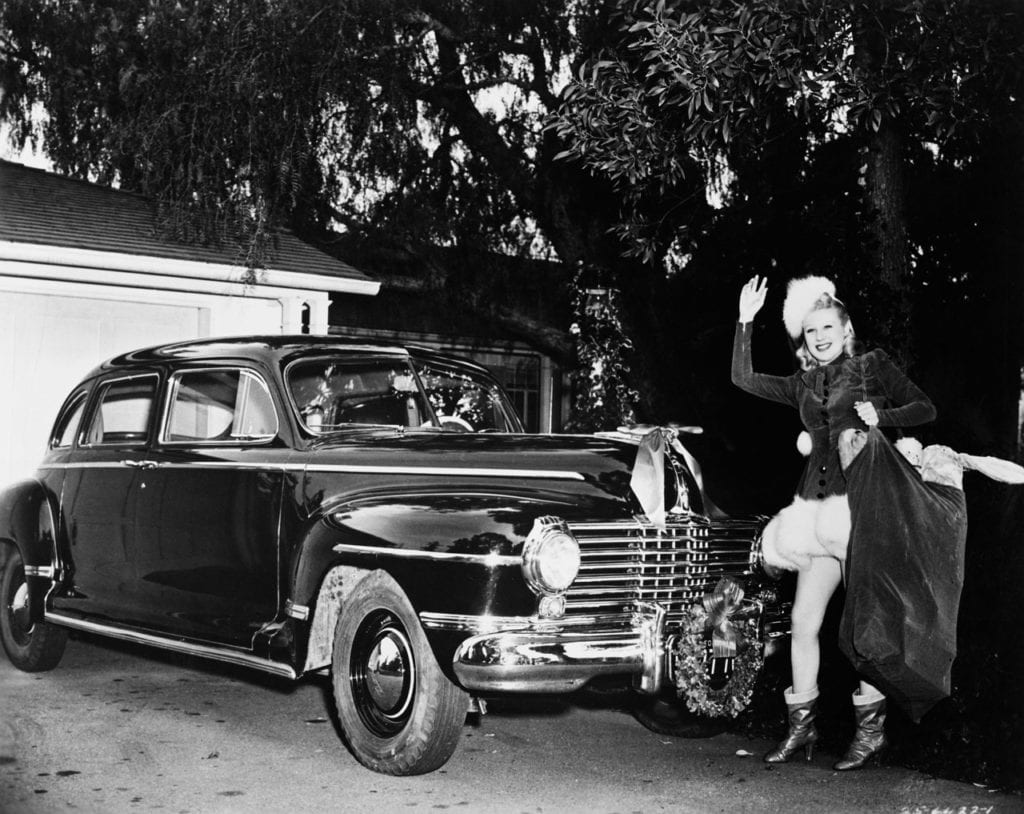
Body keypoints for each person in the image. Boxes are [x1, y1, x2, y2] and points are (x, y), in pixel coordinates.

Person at [732, 274, 937, 770]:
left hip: (859, 509)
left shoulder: (871, 366)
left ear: (845, 330)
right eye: (810, 331)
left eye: (827, 327)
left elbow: (926, 408)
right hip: (813, 514)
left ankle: (870, 733)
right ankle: (801, 729)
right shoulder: (803, 382)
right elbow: (744, 379)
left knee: (864, 625)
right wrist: (745, 321)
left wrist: (880, 418)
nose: (819, 337)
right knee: (803, 623)